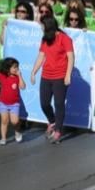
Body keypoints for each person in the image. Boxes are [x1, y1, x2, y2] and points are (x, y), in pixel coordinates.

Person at [30, 15, 74, 145]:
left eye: (43, 26)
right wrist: (33, 72)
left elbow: (71, 57)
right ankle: (52, 121)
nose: (41, 29)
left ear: (48, 26)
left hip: (60, 76)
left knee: (59, 104)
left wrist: (68, 75)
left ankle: (58, 131)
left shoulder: (64, 38)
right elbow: (41, 56)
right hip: (46, 75)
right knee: (44, 103)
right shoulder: (45, 39)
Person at [0, 57, 26, 145]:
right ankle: (3, 138)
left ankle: (17, 132)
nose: (16, 69)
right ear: (8, 68)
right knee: (4, 121)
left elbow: (23, 87)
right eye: (14, 67)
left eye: (17, 67)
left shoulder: (17, 77)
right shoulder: (2, 75)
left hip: (14, 104)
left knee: (14, 121)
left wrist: (20, 75)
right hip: (3, 103)